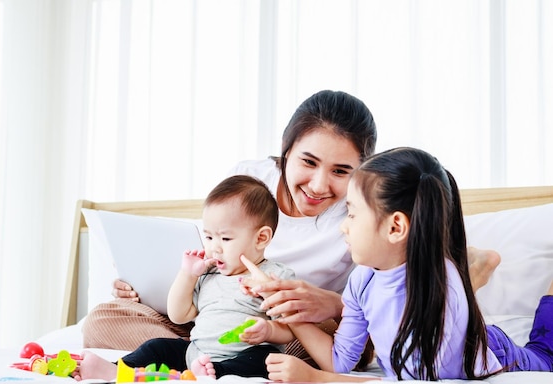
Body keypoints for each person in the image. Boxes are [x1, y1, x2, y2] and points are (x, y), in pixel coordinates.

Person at [82, 90, 500, 368]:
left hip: (286, 329)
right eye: (308, 162)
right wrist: (152, 282)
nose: (320, 186)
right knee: (101, 321)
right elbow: (209, 246)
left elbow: (387, 288)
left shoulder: (360, 213)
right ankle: (207, 357)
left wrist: (329, 303)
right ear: (285, 153)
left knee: (329, 347)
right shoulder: (248, 177)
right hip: (207, 313)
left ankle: (210, 359)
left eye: (341, 171)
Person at [241, 147, 553, 383]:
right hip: (465, 328)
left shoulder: (440, 304)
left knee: (546, 349)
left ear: (395, 228)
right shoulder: (362, 279)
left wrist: (315, 379)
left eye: (351, 214)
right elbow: (340, 361)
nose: (343, 228)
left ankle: (481, 265)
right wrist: (282, 306)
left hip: (502, 353)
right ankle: (477, 262)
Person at [73, 175, 295, 381]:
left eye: (226, 238)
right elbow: (179, 316)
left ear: (261, 238)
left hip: (246, 355)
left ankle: (215, 374)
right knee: (157, 347)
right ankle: (119, 368)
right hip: (197, 353)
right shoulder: (208, 274)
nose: (214, 248)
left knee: (264, 359)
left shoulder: (277, 277)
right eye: (208, 236)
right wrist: (187, 275)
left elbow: (291, 329)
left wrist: (269, 331)